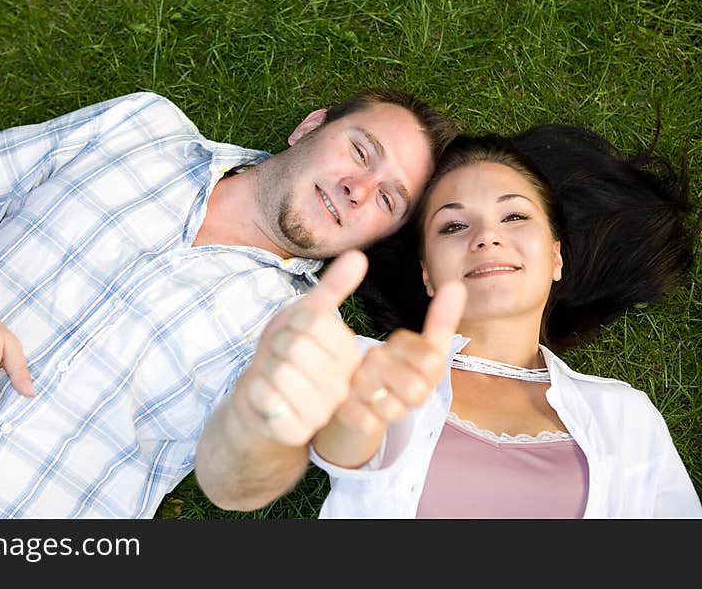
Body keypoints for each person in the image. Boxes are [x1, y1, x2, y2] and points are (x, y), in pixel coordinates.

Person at [0, 88, 457, 518]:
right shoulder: (142, 128)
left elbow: (235, 479)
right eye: (360, 151)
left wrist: (298, 419)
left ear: (380, 238)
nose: (357, 188)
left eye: (388, 200)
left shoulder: (296, 333)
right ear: (310, 126)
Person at [195, 124, 701, 517]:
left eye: (515, 216)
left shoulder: (625, 417)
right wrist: (265, 419)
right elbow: (235, 483)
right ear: (428, 275)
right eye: (454, 225)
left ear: (556, 257)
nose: (486, 236)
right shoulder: (372, 369)